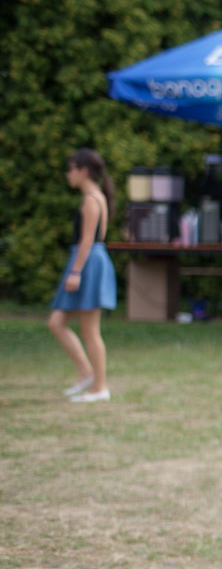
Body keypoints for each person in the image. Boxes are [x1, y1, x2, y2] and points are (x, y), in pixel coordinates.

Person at [49, 148, 118, 402]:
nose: (68, 174)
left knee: (90, 330)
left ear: (84, 171)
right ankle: (87, 374)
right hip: (87, 260)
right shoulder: (96, 196)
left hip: (87, 262)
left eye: (71, 169)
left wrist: (76, 271)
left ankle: (99, 388)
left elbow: (88, 240)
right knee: (57, 322)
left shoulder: (91, 199)